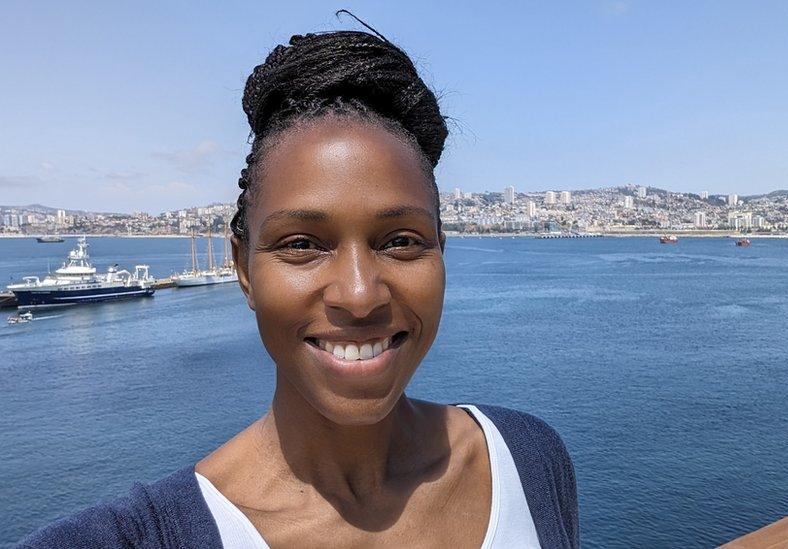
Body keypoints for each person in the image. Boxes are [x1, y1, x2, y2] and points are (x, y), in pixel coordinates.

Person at [18, 25, 578, 549]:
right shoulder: (139, 537)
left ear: (441, 251)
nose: (359, 296)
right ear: (242, 268)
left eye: (401, 240)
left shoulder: (526, 461)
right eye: (302, 244)